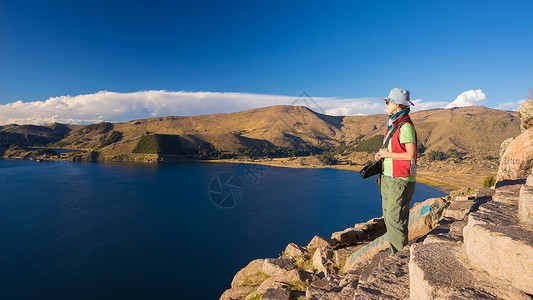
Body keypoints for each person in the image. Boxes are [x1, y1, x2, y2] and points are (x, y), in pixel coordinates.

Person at [374, 87, 417, 256]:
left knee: (396, 220)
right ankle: (395, 253)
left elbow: (410, 155)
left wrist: (387, 154)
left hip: (399, 179)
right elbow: (396, 151)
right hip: (390, 178)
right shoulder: (394, 124)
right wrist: (381, 155)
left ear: (397, 104)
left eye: (388, 101)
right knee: (391, 219)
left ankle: (399, 260)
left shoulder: (405, 126)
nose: (386, 105)